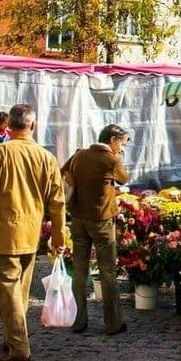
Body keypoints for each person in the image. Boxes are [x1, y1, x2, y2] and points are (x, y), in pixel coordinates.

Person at [0, 104, 66, 361]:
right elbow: (57, 202)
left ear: (9, 127)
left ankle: (19, 346)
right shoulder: (46, 157)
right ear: (32, 125)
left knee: (9, 291)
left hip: (4, 233)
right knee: (18, 290)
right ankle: (12, 338)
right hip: (31, 233)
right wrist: (59, 236)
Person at [63, 124, 130, 335]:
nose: (122, 148)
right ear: (112, 139)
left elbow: (64, 170)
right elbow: (124, 178)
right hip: (101, 219)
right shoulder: (111, 159)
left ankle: (78, 320)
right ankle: (113, 323)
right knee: (107, 270)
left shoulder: (80, 155)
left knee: (80, 270)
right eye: (122, 143)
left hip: (78, 218)